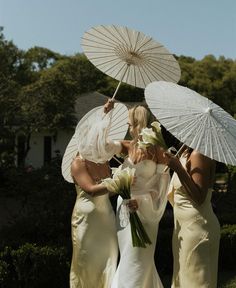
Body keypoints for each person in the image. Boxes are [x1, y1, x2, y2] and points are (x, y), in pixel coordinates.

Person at [104, 100, 170, 288]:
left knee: (139, 258)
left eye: (129, 123)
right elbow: (102, 146)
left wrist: (142, 201)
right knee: (127, 255)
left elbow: (161, 186)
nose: (127, 126)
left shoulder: (158, 151)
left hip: (146, 211)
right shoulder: (127, 146)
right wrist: (107, 116)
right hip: (124, 207)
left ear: (137, 124)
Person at [68, 108, 122, 288]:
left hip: (105, 216)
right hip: (86, 220)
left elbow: (109, 191)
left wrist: (125, 186)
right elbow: (91, 189)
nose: (103, 141)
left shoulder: (104, 161)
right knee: (86, 263)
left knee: (109, 259)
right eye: (99, 136)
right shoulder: (78, 162)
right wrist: (119, 180)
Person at [164, 146, 220, 288]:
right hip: (184, 229)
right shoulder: (185, 152)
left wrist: (178, 169)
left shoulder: (199, 154)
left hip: (197, 230)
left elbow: (199, 197)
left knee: (195, 282)